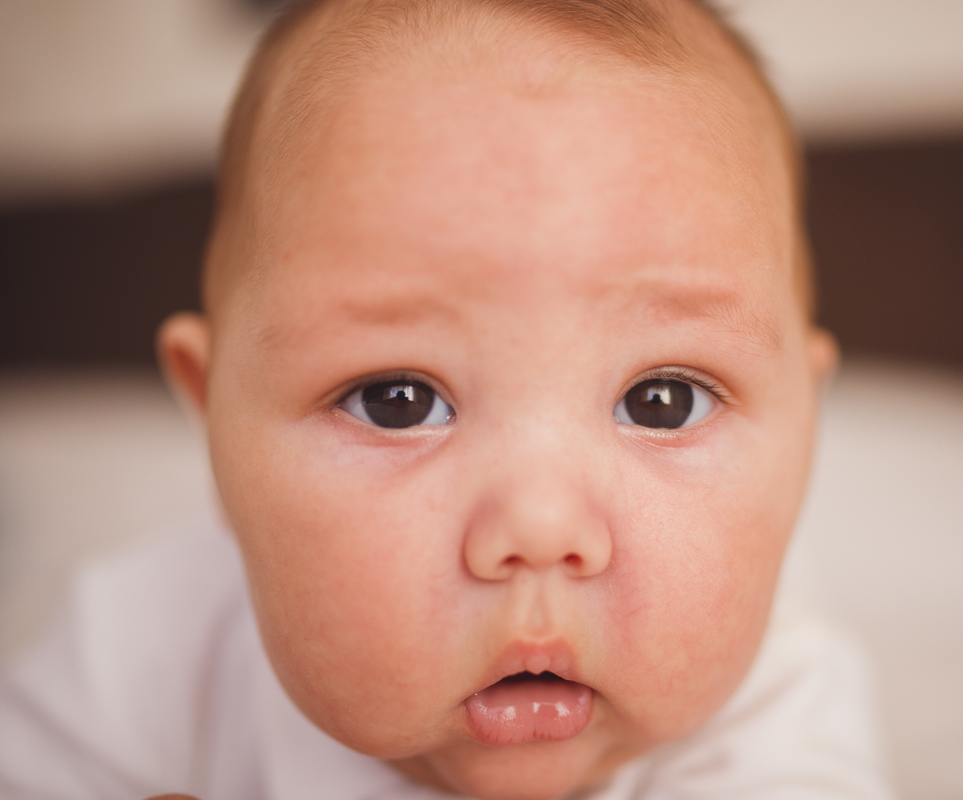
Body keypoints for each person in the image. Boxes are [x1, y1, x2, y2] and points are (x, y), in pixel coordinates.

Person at [0, 1, 893, 797]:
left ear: (805, 434)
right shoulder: (142, 650)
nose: (540, 532)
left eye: (663, 401)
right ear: (213, 424)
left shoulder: (775, 706)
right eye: (397, 400)